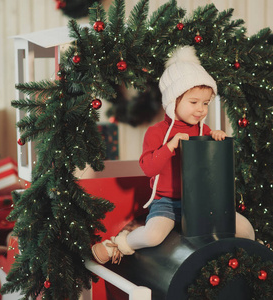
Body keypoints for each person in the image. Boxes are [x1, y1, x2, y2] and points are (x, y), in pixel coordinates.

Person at [92, 46, 255, 264]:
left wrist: (216, 138)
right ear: (173, 100)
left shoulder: (203, 131)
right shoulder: (157, 132)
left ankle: (243, 264)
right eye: (194, 102)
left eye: (205, 103)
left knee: (244, 228)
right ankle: (119, 244)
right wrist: (169, 146)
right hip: (167, 202)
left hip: (201, 203)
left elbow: (212, 170)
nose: (201, 110)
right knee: (153, 235)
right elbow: (148, 168)